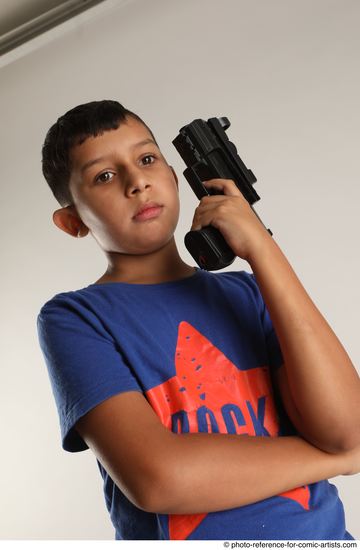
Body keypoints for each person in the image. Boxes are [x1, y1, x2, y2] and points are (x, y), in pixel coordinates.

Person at [37, 100, 360, 541]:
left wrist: (263, 250)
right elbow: (159, 480)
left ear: (174, 177)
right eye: (105, 176)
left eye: (147, 159)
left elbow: (346, 427)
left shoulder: (249, 292)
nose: (137, 182)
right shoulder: (75, 318)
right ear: (72, 221)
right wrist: (338, 461)